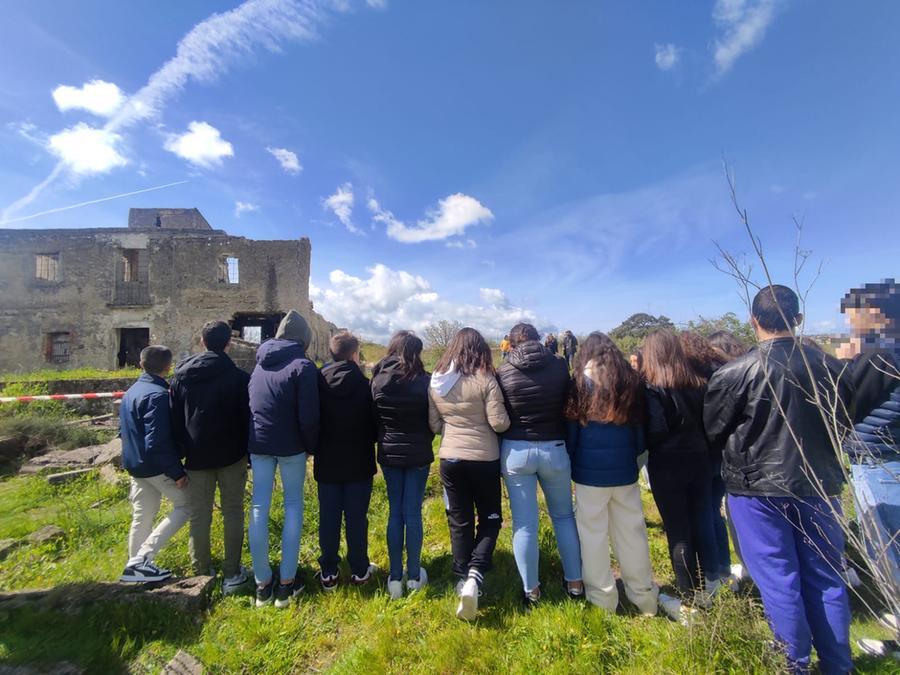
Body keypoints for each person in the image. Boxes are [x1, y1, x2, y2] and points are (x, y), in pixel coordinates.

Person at [705, 285, 855, 674]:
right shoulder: (830, 367)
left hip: (756, 489)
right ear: (799, 320)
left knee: (778, 577)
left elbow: (715, 429)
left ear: (753, 321)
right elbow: (844, 421)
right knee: (825, 574)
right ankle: (838, 664)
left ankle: (793, 664)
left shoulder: (734, 373)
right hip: (818, 483)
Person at [565, 332, 658, 615]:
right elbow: (640, 429)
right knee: (632, 533)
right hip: (625, 470)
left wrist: (573, 462)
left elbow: (572, 432)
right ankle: (644, 596)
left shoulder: (579, 382)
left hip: (589, 474)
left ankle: (602, 598)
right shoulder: (629, 381)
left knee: (592, 535)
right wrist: (635, 458)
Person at [496, 322, 583, 607]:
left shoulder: (505, 370)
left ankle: (531, 590)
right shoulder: (559, 366)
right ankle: (574, 582)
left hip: (516, 449)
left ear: (513, 342)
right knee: (563, 516)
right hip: (554, 448)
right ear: (537, 339)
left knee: (524, 524)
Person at [429, 327, 510, 620]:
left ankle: (462, 575)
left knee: (459, 518)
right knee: (490, 517)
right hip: (484, 457)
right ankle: (476, 572)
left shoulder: (437, 381)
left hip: (450, 456)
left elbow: (435, 424)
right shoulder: (486, 378)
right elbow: (498, 422)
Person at [837, 280, 899, 658]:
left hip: (878, 460)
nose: (849, 326)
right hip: (889, 454)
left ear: (874, 313)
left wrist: (845, 361)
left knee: (886, 546)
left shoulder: (882, 353)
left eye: (853, 316)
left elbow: (843, 401)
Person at [642, 331, 719, 621]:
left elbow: (657, 430)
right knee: (700, 520)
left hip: (668, 463)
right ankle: (706, 588)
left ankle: (687, 594)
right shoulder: (700, 383)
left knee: (678, 531)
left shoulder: (652, 388)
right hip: (699, 459)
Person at [169, 321, 251, 594]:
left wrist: (181, 451)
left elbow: (175, 419)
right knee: (233, 512)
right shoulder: (239, 378)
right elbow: (246, 420)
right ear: (229, 343)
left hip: (195, 455)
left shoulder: (181, 376)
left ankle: (200, 571)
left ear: (202, 342)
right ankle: (232, 573)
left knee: (199, 515)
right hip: (232, 455)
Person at [247, 310, 319, 608]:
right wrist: (311, 445)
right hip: (291, 446)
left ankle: (262, 585)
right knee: (292, 506)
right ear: (304, 340)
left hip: (259, 443)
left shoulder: (259, 364)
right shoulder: (303, 366)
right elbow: (309, 415)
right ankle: (287, 584)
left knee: (258, 506)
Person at [371, 330, 435, 599]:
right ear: (415, 352)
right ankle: (414, 574)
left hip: (389, 451)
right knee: (412, 512)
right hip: (418, 452)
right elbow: (433, 419)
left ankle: (395, 577)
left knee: (394, 511)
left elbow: (373, 417)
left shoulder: (377, 379)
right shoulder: (425, 381)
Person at [119, 345, 189, 583]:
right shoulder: (157, 395)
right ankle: (142, 560)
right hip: (156, 466)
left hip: (135, 464)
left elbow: (124, 431)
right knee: (187, 505)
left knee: (142, 515)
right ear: (168, 366)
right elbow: (156, 440)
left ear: (141, 364)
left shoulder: (131, 392)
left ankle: (134, 569)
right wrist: (176, 472)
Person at [314, 331, 378, 590]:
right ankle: (360, 570)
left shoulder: (317, 382)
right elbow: (375, 426)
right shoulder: (365, 385)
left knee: (328, 517)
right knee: (356, 518)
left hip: (327, 460)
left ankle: (328, 571)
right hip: (358, 461)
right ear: (354, 354)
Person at [678, 331, 734, 589]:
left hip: (700, 454)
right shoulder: (724, 371)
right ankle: (723, 570)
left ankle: (710, 574)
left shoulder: (691, 378)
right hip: (723, 454)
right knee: (713, 512)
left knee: (702, 514)